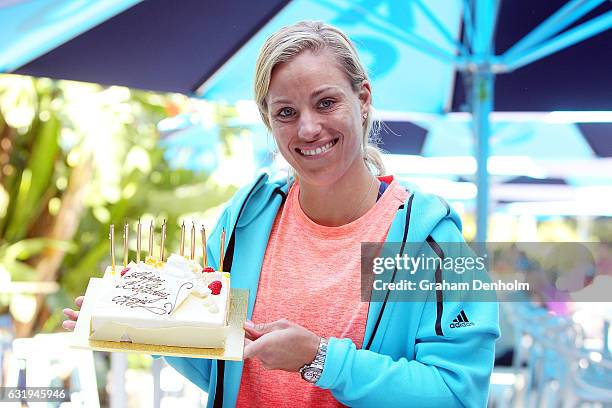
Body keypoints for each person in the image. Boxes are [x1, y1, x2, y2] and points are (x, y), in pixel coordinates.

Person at [64, 20, 499, 407]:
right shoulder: (245, 219)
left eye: (326, 103)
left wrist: (320, 359)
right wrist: (146, 329)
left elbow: (458, 393)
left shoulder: (430, 242)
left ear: (362, 99)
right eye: (286, 112)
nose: (308, 129)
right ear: (269, 121)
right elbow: (226, 370)